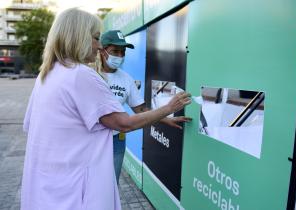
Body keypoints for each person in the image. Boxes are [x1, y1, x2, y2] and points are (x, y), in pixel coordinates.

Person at [21, 8, 191, 210]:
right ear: (78, 37)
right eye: (95, 38)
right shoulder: (80, 75)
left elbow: (29, 125)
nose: (98, 45)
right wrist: (169, 108)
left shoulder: (47, 75)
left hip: (50, 186)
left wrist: (164, 117)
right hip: (75, 190)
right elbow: (123, 123)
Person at [98, 30, 192, 183]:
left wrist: (167, 119)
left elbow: (141, 110)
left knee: (110, 184)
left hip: (116, 141)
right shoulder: (90, 74)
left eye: (123, 52)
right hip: (91, 139)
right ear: (102, 50)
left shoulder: (126, 79)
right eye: (115, 51)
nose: (120, 56)